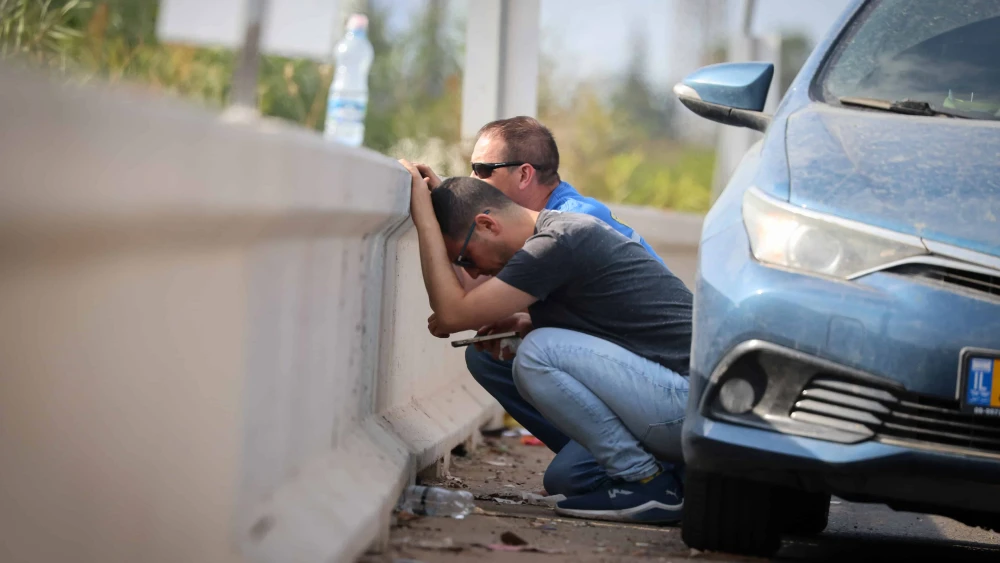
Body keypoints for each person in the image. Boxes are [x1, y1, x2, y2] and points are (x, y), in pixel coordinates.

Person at [399, 159, 693, 523]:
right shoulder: (555, 235)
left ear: (488, 225)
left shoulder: (557, 243)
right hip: (672, 402)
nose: (471, 271)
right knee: (568, 478)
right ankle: (681, 478)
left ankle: (647, 483)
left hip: (686, 404)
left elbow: (451, 315)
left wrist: (425, 219)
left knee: (538, 353)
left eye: (465, 258)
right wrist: (447, 200)